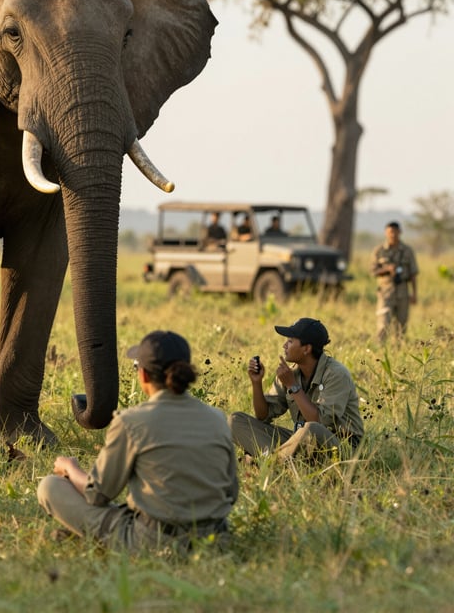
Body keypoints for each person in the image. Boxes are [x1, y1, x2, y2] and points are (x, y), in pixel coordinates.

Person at [37, 330, 237, 553]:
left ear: (143, 375)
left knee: (50, 486)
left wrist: (70, 467)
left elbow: (98, 495)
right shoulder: (217, 418)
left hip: (154, 542)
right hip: (215, 541)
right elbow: (231, 492)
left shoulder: (131, 421)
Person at [230, 318, 363, 461]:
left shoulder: (336, 374)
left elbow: (319, 422)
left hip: (339, 446)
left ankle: (269, 462)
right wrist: (256, 383)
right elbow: (263, 416)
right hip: (301, 441)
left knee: (311, 429)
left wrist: (293, 387)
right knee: (235, 420)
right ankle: (279, 461)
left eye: (290, 341)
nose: (284, 345)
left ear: (306, 349)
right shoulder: (291, 373)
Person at [371, 221, 419, 343]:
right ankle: (380, 350)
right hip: (385, 291)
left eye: (395, 232)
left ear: (400, 232)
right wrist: (387, 269)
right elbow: (373, 271)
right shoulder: (379, 250)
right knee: (383, 323)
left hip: (403, 290)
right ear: (386, 233)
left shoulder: (407, 250)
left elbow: (413, 274)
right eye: (390, 232)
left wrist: (414, 294)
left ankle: (398, 350)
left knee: (401, 325)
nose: (393, 235)